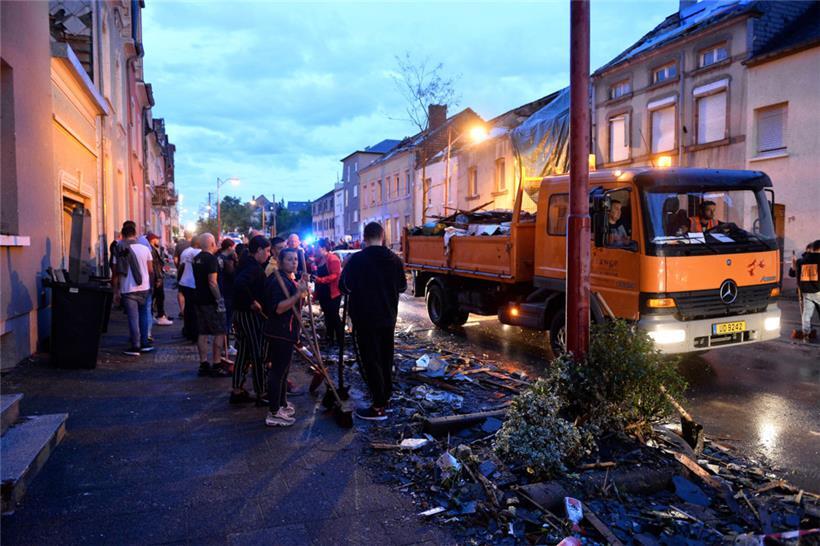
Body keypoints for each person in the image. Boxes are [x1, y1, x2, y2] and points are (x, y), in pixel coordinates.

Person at [339, 222, 406, 421]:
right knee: (386, 357)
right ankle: (385, 397)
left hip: (365, 317)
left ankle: (378, 406)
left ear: (364, 237)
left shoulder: (357, 260)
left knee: (371, 360)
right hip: (388, 316)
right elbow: (402, 286)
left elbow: (344, 287)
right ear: (382, 236)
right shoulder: (394, 260)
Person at [262, 247, 309, 426]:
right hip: (280, 331)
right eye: (289, 259)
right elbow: (279, 307)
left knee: (284, 371)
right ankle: (273, 413)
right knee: (278, 372)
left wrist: (300, 290)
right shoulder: (277, 281)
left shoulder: (288, 279)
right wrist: (298, 293)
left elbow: (297, 302)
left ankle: (281, 404)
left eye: (296, 259)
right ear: (280, 262)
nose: (294, 262)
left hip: (287, 331)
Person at [231, 235, 271, 405]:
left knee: (244, 352)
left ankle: (237, 389)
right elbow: (240, 283)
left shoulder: (245, 262)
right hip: (249, 315)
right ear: (259, 250)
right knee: (258, 352)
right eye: (267, 251)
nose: (269, 255)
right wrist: (251, 302)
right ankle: (261, 392)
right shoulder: (254, 267)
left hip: (240, 313)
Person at [112, 222, 155, 356]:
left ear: (123, 235)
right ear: (135, 234)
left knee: (133, 318)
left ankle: (135, 346)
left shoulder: (119, 249)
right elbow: (150, 270)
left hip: (128, 288)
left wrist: (115, 291)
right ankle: (144, 343)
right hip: (145, 287)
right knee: (143, 315)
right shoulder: (145, 249)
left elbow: (115, 272)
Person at [192, 234, 230, 377]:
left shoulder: (196, 259)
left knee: (202, 332)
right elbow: (212, 282)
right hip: (210, 301)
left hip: (198, 299)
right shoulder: (212, 259)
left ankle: (203, 364)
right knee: (220, 331)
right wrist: (219, 300)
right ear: (213, 244)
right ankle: (217, 363)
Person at [315, 238, 343, 346]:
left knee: (334, 316)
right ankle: (330, 337)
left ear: (323, 248)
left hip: (333, 292)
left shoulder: (333, 259)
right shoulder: (320, 259)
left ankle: (340, 339)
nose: (316, 249)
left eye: (317, 247)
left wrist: (320, 280)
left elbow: (335, 275)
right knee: (327, 315)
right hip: (324, 292)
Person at [791, 240, 820, 341]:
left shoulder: (801, 261)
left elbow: (795, 273)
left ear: (812, 249)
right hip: (818, 291)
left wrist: (793, 262)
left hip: (806, 292)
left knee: (806, 314)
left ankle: (806, 334)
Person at [217, 238, 238, 356]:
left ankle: (223, 346)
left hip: (222, 292)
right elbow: (232, 275)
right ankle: (225, 347)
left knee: (225, 321)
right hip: (227, 293)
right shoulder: (226, 260)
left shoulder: (218, 257)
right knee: (227, 321)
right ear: (230, 247)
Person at [178, 236, 201, 342]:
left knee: (188, 308)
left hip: (185, 282)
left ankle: (187, 331)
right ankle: (195, 333)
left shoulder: (185, 252)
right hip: (194, 284)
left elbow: (181, 266)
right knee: (196, 310)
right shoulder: (198, 252)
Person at [148, 233, 173, 326]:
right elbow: (154, 265)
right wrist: (158, 278)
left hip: (156, 276)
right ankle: (160, 316)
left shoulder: (152, 249)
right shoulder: (152, 250)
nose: (158, 241)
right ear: (153, 240)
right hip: (157, 277)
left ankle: (158, 315)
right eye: (157, 239)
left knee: (156, 297)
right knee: (159, 297)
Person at [173, 233, 192, 319]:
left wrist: (178, 268)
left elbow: (175, 259)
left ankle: (182, 310)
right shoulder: (194, 245)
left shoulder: (179, 245)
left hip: (181, 269)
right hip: (191, 269)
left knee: (180, 291)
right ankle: (189, 309)